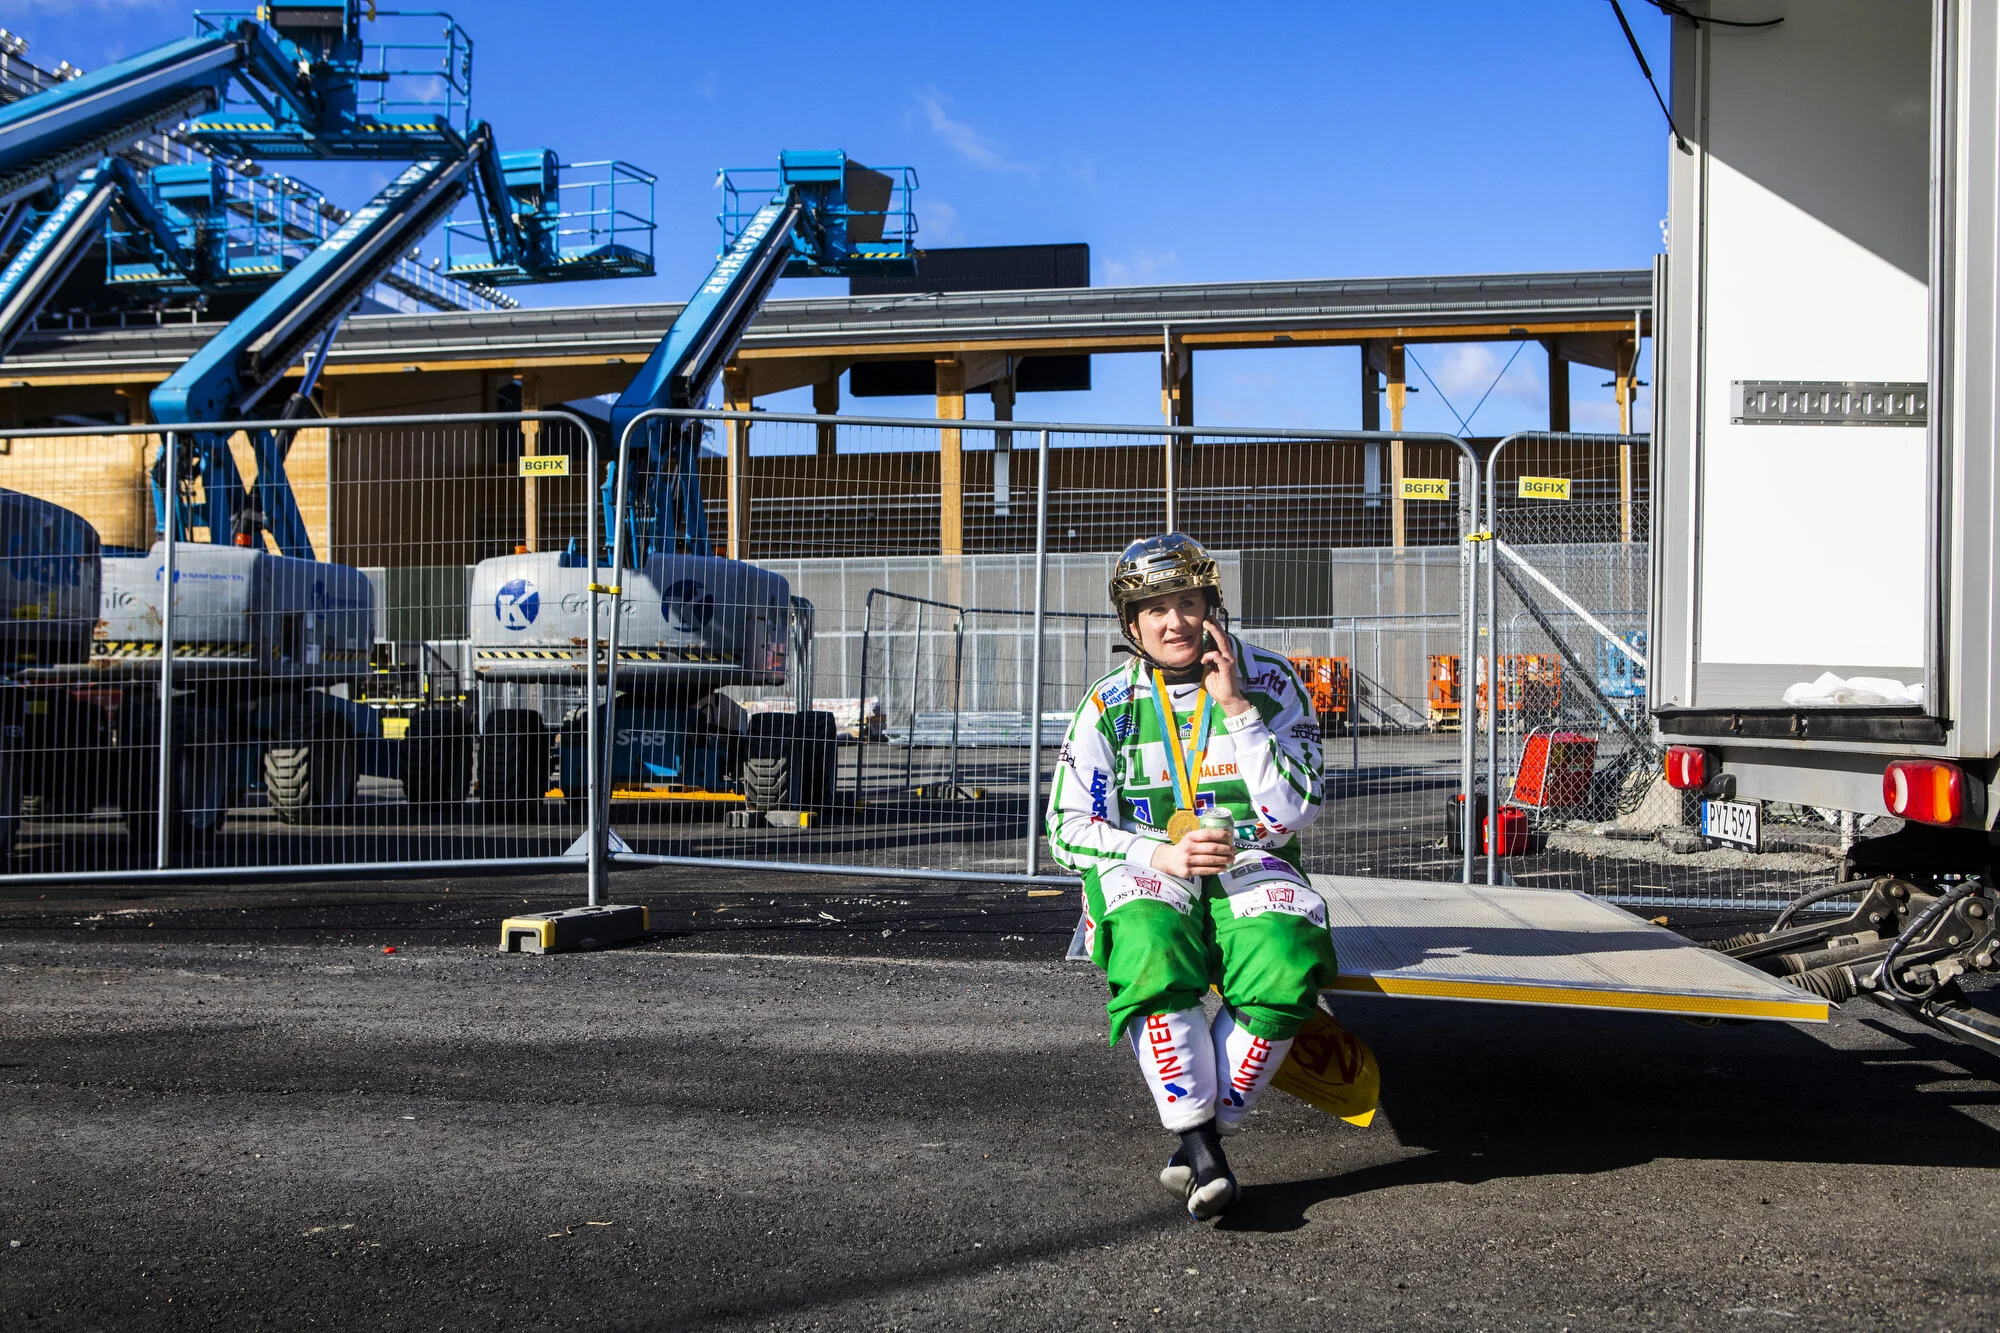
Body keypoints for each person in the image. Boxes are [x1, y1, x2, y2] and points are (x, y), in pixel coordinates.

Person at [1046, 532, 1336, 1220]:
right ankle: (1204, 1149)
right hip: (1151, 863)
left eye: (1187, 602)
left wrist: (1236, 708)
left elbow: (1294, 810)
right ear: (1131, 625)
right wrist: (1158, 856)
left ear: (1212, 605)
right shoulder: (1107, 704)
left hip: (1251, 860)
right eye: (1155, 609)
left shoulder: (1273, 681)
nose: (1174, 621)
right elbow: (1065, 828)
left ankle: (1199, 1143)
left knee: (1286, 960)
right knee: (1150, 945)